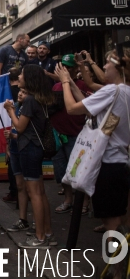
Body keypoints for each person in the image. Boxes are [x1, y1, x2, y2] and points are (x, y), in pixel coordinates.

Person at [55, 51, 130, 242]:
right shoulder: (125, 91)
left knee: (111, 224)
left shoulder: (111, 90)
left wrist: (64, 82)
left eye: (107, 63)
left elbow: (73, 109)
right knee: (122, 216)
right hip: (121, 161)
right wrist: (72, 83)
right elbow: (89, 109)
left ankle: (118, 269)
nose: (104, 67)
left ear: (118, 68)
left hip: (107, 163)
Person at [4, 64, 56, 249]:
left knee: (34, 193)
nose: (19, 77)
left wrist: (10, 110)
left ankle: (40, 237)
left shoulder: (30, 101)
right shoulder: (39, 99)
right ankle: (47, 232)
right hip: (35, 148)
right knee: (40, 193)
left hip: (29, 148)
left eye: (22, 75)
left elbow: (19, 127)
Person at [50, 54, 91, 216]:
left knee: (80, 170)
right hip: (58, 135)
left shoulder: (82, 86)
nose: (66, 70)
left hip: (77, 135)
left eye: (69, 67)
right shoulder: (56, 87)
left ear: (75, 69)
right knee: (62, 171)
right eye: (63, 66)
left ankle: (84, 202)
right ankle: (68, 200)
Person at [4, 88, 31, 232]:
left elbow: (22, 130)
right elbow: (15, 127)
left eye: (24, 92)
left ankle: (39, 225)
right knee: (19, 185)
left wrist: (14, 136)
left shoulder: (29, 107)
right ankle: (22, 219)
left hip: (25, 150)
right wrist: (9, 143)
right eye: (20, 91)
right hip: (14, 149)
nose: (20, 93)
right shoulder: (18, 107)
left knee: (31, 188)